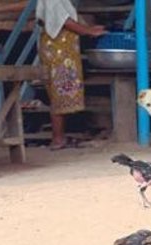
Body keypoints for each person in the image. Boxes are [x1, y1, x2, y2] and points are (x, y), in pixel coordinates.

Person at [36, 0, 106, 150]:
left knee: (61, 91)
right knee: (59, 91)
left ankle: (59, 137)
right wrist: (88, 31)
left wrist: (88, 28)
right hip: (58, 48)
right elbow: (63, 20)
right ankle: (58, 138)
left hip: (63, 47)